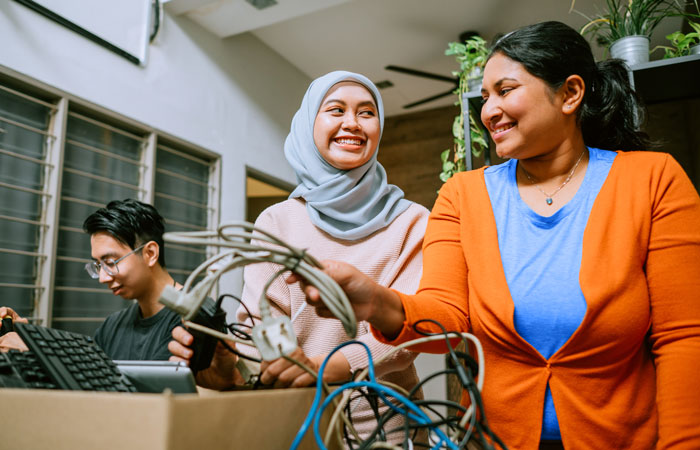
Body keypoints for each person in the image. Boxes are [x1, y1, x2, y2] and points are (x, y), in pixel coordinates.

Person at [294, 22, 700, 450]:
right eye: (485, 97)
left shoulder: (653, 180)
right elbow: (449, 321)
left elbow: (684, 337)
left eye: (505, 90)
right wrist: (378, 302)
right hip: (492, 441)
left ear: (570, 93)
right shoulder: (461, 195)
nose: (488, 111)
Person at [169, 71, 430, 443]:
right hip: (301, 423)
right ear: (310, 122)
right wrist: (234, 364)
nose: (352, 123)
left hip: (393, 428)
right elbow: (262, 323)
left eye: (367, 112)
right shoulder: (278, 221)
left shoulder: (414, 221)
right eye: (336, 110)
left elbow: (412, 329)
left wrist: (326, 368)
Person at [0, 199, 182, 360]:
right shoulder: (113, 326)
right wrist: (29, 338)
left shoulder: (192, 323)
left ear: (150, 253)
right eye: (98, 265)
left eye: (110, 262)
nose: (102, 278)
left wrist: (34, 352)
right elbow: (91, 374)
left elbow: (144, 394)